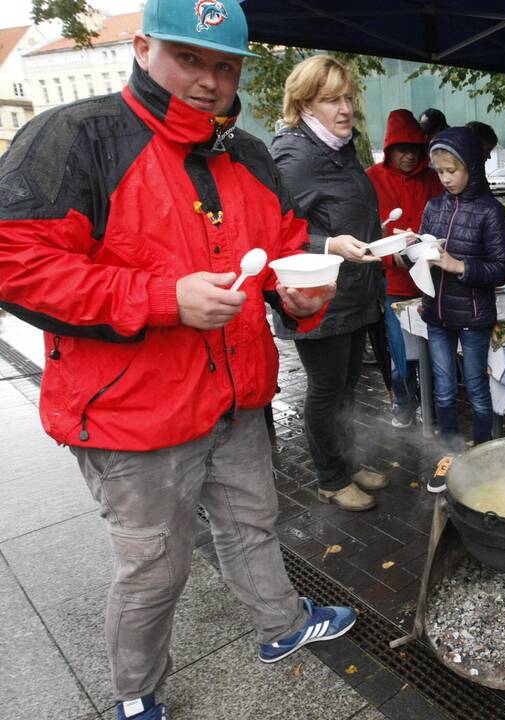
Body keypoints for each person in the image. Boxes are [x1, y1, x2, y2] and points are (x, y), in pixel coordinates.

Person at [0, 1, 358, 718]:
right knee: (155, 569)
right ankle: (135, 693)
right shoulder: (77, 135)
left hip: (235, 398)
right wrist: (163, 298)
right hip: (133, 414)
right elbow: (17, 262)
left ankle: (279, 625)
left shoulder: (249, 153)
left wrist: (300, 296)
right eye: (188, 58)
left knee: (252, 525)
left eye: (223, 65)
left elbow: (281, 250)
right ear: (142, 47)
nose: (208, 79)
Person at [271, 55, 391, 511]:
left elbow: (351, 210)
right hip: (318, 300)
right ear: (305, 104)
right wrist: (329, 245)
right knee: (325, 393)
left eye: (348, 98)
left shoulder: (338, 147)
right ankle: (331, 478)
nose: (345, 109)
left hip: (354, 293)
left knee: (346, 390)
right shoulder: (295, 155)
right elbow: (277, 232)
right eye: (331, 100)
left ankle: (347, 462)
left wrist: (383, 240)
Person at [419, 127, 505, 484]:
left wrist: (459, 266)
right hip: (437, 316)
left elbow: (502, 268)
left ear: (472, 167)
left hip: (474, 316)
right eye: (440, 172)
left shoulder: (492, 211)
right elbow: (424, 255)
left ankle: (483, 454)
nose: (445, 179)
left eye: (452, 171)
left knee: (476, 388)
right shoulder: (433, 206)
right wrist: (408, 254)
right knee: (443, 390)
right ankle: (449, 454)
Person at [366, 109, 445, 428]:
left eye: (414, 149)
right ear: (389, 150)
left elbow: (442, 220)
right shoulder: (371, 179)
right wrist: (389, 256)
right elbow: (366, 230)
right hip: (395, 285)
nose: (409, 157)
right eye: (402, 150)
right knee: (401, 356)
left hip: (432, 283)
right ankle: (403, 402)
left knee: (437, 352)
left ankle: (436, 406)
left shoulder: (433, 179)